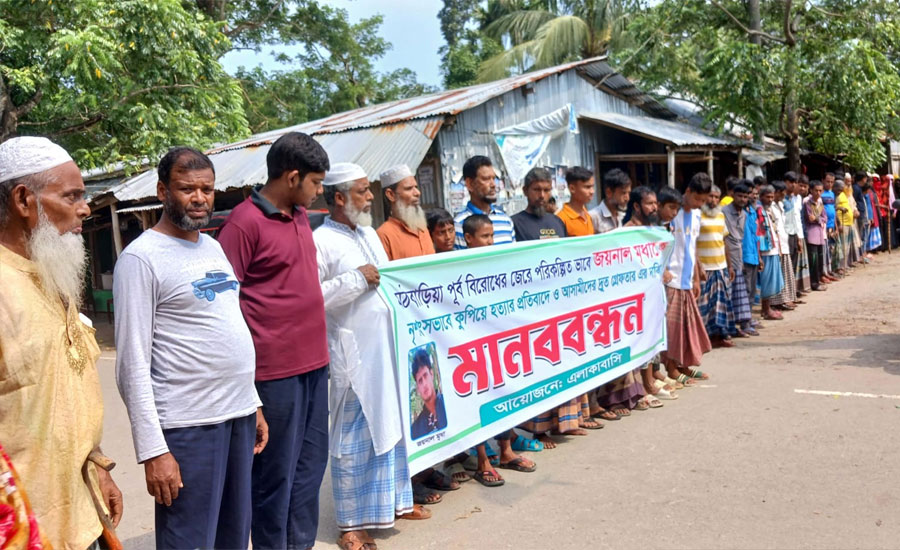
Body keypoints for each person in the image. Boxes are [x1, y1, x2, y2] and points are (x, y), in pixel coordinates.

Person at [115, 147, 266, 550]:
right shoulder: (141, 259)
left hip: (236, 416)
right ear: (163, 190)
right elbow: (131, 364)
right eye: (187, 189)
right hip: (188, 427)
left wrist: (252, 403)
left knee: (234, 535)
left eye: (207, 189)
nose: (199, 198)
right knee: (190, 540)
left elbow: (226, 328)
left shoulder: (211, 247)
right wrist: (153, 450)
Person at [0, 136, 122, 550]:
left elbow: (70, 394)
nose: (85, 208)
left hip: (81, 516)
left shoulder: (54, 276)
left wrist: (99, 466)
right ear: (23, 200)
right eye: (72, 196)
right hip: (23, 532)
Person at [216, 132, 331, 550]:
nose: (320, 192)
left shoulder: (299, 214)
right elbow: (223, 306)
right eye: (316, 183)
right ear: (293, 176)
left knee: (309, 471)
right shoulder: (243, 224)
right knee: (272, 479)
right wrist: (246, 386)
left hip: (315, 366)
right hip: (273, 375)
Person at [313, 163, 428, 549]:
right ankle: (350, 524)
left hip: (387, 351)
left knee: (390, 430)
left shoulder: (367, 235)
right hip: (353, 358)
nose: (370, 197)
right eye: (362, 191)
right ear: (340, 198)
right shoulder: (320, 242)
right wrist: (356, 280)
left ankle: (393, 504)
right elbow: (312, 299)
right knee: (350, 443)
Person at [663, 173, 713, 386]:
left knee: (686, 327)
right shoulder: (670, 215)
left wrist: (695, 277)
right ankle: (671, 368)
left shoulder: (697, 215)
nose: (699, 204)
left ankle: (683, 364)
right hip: (671, 279)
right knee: (671, 329)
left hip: (686, 279)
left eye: (703, 201)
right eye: (697, 199)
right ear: (688, 192)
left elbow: (692, 248)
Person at [697, 184, 736, 347]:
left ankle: (719, 337)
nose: (713, 200)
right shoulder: (697, 215)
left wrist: (730, 265)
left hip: (720, 266)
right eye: (710, 196)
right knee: (704, 305)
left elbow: (724, 241)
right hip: (704, 268)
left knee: (720, 304)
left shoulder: (720, 216)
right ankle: (702, 339)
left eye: (716, 197)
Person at [376, 164, 435, 260]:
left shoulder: (422, 229)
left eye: (416, 187)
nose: (417, 193)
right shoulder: (383, 235)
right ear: (391, 195)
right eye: (409, 188)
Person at [454, 156, 514, 248]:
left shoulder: (506, 221)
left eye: (494, 179)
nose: (493, 184)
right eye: (486, 179)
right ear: (469, 184)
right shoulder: (458, 224)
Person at [722, 182, 755, 336]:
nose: (742, 199)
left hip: (739, 255)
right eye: (739, 196)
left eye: (745, 196)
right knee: (730, 291)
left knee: (740, 291)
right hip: (726, 257)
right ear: (732, 196)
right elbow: (725, 238)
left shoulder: (745, 214)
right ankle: (735, 326)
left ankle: (742, 323)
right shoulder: (723, 212)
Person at [510, 167, 567, 240]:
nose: (542, 195)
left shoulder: (558, 222)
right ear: (525, 191)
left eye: (546, 190)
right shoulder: (514, 224)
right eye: (537, 190)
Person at [768, 181, 797, 312]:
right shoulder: (771, 207)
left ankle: (785, 299)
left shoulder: (780, 205)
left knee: (785, 273)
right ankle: (777, 301)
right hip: (777, 244)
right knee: (778, 275)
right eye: (782, 193)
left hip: (784, 242)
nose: (784, 195)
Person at [410, 350, 448, 439]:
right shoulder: (415, 430)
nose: (424, 384)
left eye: (425, 375)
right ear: (417, 388)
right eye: (420, 380)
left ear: (431, 374)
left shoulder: (449, 405)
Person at [803, 180, 828, 292]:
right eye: (816, 190)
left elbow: (825, 219)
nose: (818, 193)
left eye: (820, 191)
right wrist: (819, 219)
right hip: (811, 235)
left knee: (819, 260)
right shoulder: (808, 203)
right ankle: (814, 283)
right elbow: (809, 218)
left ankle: (817, 281)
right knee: (813, 261)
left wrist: (817, 219)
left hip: (820, 235)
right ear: (811, 190)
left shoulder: (820, 204)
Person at [556, 166, 596, 237]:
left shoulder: (587, 214)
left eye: (592, 187)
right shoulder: (561, 219)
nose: (592, 191)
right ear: (572, 188)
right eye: (587, 187)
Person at [589, 168, 631, 233]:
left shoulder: (621, 215)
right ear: (609, 192)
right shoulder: (593, 217)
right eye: (623, 193)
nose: (627, 198)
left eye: (629, 193)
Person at [792, 176, 812, 293]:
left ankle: (800, 287)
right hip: (794, 234)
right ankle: (794, 289)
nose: (802, 188)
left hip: (801, 233)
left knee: (801, 262)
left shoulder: (799, 199)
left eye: (805, 186)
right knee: (795, 263)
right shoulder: (790, 199)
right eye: (800, 185)